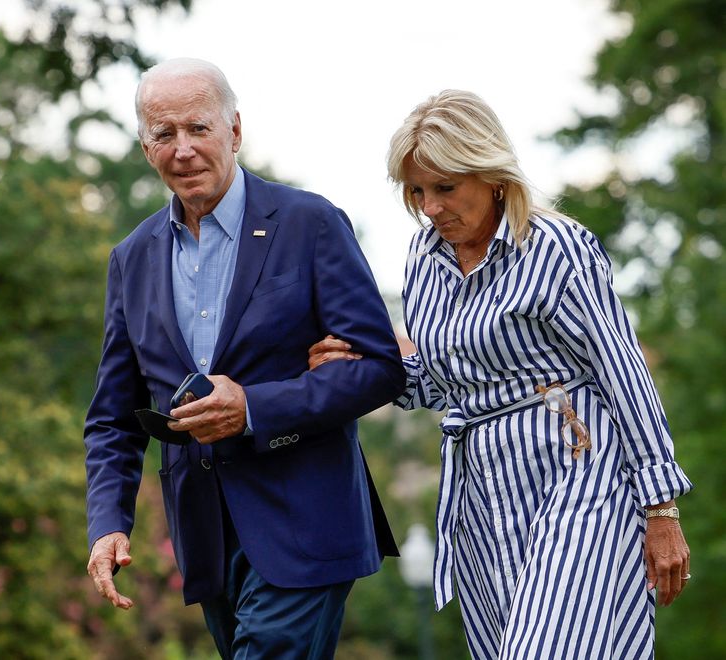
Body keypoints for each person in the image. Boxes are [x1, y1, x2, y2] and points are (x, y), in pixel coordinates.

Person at [308, 90, 692, 659]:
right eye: (416, 191)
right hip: (481, 489)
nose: (430, 207)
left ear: (490, 175)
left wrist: (660, 506)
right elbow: (442, 384)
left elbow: (622, 372)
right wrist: (364, 366)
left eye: (444, 188)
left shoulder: (558, 249)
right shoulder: (422, 257)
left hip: (577, 469)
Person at [83, 58, 406, 659]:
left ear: (234, 130)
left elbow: (381, 367)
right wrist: (108, 523)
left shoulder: (310, 224)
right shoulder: (131, 257)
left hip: (307, 518)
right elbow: (112, 416)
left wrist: (255, 406)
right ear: (144, 145)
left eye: (198, 129)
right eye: (163, 134)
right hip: (205, 533)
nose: (182, 150)